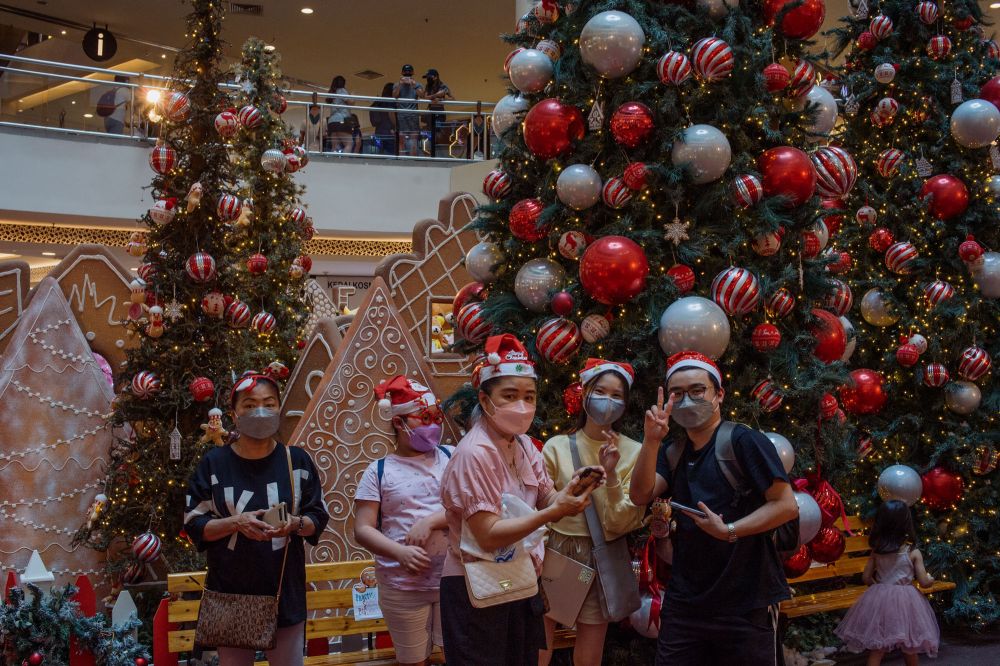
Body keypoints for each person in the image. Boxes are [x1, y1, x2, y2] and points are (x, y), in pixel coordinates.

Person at [439, 334, 602, 666]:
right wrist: (553, 512)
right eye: (509, 396)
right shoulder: (475, 453)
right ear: (485, 401)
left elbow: (545, 498)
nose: (522, 406)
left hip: (521, 580)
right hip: (475, 588)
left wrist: (572, 490)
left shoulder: (525, 445)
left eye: (529, 396)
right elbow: (486, 533)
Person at [629, 351, 799, 666]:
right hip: (685, 602)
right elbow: (640, 495)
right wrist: (651, 440)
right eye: (677, 393)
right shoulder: (673, 451)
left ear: (718, 394)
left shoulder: (744, 441)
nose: (687, 400)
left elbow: (786, 505)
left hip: (745, 603)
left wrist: (730, 530)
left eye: (697, 390)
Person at [183, 370, 330, 665]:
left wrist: (295, 524)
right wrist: (236, 522)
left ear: (279, 408)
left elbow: (317, 516)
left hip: (283, 593)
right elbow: (193, 524)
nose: (260, 411)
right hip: (231, 594)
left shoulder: (296, 461)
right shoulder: (214, 464)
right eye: (249, 405)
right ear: (234, 414)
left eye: (269, 403)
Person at [539, 359, 646, 666]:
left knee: (591, 645)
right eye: (600, 391)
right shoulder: (557, 446)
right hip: (557, 549)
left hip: (603, 554)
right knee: (540, 639)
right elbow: (542, 509)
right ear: (584, 392)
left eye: (616, 395)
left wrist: (611, 475)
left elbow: (621, 521)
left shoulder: (634, 451)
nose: (607, 401)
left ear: (625, 404)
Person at [354, 376, 452, 666]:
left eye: (436, 417)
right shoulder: (379, 471)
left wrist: (433, 521)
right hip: (402, 587)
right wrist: (400, 552)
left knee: (457, 656)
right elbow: (362, 529)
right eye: (424, 418)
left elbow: (470, 508)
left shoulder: (452, 456)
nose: (433, 425)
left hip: (453, 581)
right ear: (398, 423)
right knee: (412, 661)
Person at [835, 500, 940, 665]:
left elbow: (866, 577)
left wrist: (879, 588)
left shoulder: (877, 550)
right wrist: (931, 579)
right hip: (907, 601)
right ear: (906, 523)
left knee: (879, 646)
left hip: (880, 598)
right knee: (909, 645)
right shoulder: (912, 552)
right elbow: (924, 582)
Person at [392, 64, 423, 156]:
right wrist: (400, 84)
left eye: (409, 71)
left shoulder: (417, 84)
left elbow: (422, 95)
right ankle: (402, 160)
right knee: (401, 139)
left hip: (413, 115)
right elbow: (394, 96)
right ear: (402, 73)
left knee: (413, 139)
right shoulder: (397, 84)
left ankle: (412, 161)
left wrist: (414, 85)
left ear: (413, 73)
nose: (407, 73)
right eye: (405, 72)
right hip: (401, 115)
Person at [422, 69, 452, 153]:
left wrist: (442, 99)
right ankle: (431, 151)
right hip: (430, 112)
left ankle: (437, 150)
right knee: (430, 132)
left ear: (435, 77)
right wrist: (435, 96)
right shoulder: (428, 86)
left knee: (438, 132)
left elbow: (452, 98)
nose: (427, 79)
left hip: (440, 112)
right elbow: (425, 97)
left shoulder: (443, 86)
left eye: (429, 77)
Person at [326, 75, 352, 152]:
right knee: (349, 144)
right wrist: (351, 96)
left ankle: (333, 163)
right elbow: (350, 102)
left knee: (335, 147)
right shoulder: (342, 90)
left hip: (331, 122)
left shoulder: (332, 93)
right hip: (341, 120)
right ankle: (344, 163)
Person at [369, 82, 397, 155]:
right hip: (390, 132)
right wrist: (396, 126)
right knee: (391, 153)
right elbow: (391, 114)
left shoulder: (377, 102)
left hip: (378, 131)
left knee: (380, 154)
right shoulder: (392, 102)